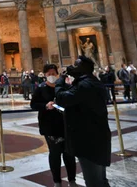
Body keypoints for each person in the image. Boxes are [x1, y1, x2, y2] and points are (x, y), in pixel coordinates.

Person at [55, 56, 111, 187]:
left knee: (93, 182)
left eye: (75, 65)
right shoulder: (94, 82)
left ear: (83, 68)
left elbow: (62, 98)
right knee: (101, 180)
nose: (72, 68)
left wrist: (59, 82)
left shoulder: (84, 85)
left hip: (88, 140)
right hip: (98, 137)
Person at [30, 64, 77, 187]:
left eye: (53, 73)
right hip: (49, 125)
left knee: (69, 154)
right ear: (45, 75)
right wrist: (45, 106)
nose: (51, 76)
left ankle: (72, 180)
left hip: (65, 124)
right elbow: (33, 104)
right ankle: (57, 181)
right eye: (48, 74)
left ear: (57, 74)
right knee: (55, 154)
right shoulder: (40, 88)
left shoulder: (65, 87)